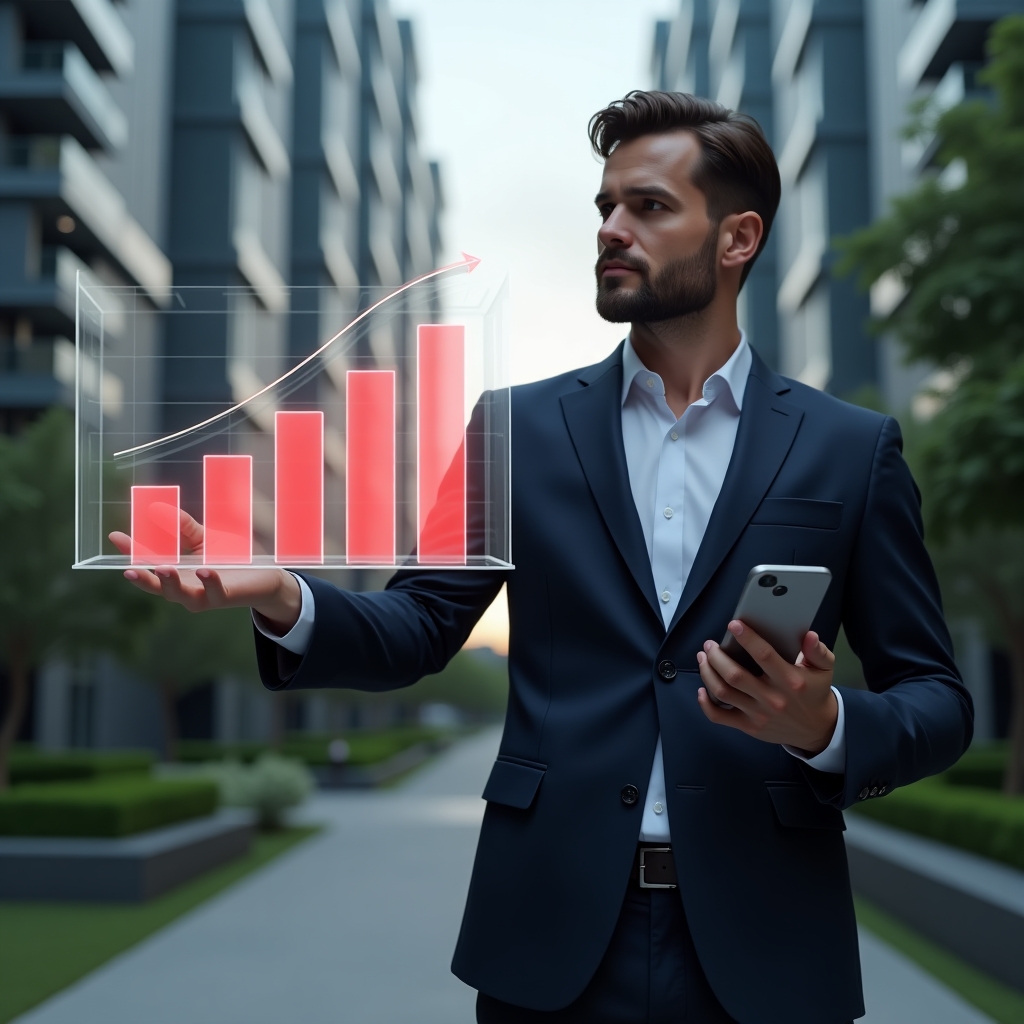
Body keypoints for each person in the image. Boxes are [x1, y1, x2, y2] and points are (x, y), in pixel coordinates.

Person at [112, 92, 973, 1024]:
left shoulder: (850, 448)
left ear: (738, 239)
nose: (611, 229)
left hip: (767, 943)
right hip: (552, 938)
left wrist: (822, 724)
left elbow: (936, 695)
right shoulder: (515, 430)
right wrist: (282, 591)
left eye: (648, 207)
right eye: (605, 207)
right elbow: (417, 626)